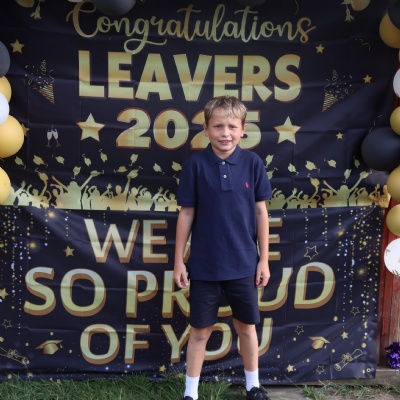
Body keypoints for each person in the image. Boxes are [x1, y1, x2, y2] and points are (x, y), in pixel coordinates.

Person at [173, 96, 273, 400]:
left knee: (246, 327)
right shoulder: (195, 166)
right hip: (205, 266)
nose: (225, 133)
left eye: (231, 126)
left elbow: (261, 213)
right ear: (206, 129)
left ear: (243, 129)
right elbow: (186, 213)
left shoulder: (253, 164)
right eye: (218, 126)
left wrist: (264, 260)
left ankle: (253, 387)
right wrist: (179, 261)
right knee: (200, 331)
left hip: (244, 264)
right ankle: (191, 393)